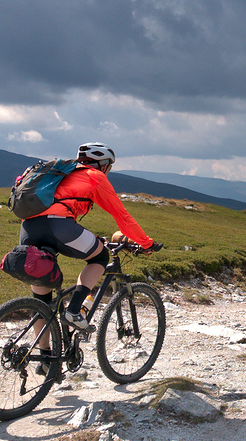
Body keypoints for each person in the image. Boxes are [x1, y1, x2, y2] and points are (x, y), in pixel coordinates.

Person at [19, 142, 162, 332]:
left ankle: (46, 358)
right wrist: (147, 243)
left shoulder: (64, 173)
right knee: (100, 256)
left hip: (28, 228)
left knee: (42, 304)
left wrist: (91, 237)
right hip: (59, 226)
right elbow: (122, 216)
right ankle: (74, 311)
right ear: (103, 165)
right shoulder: (94, 176)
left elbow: (59, 209)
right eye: (109, 167)